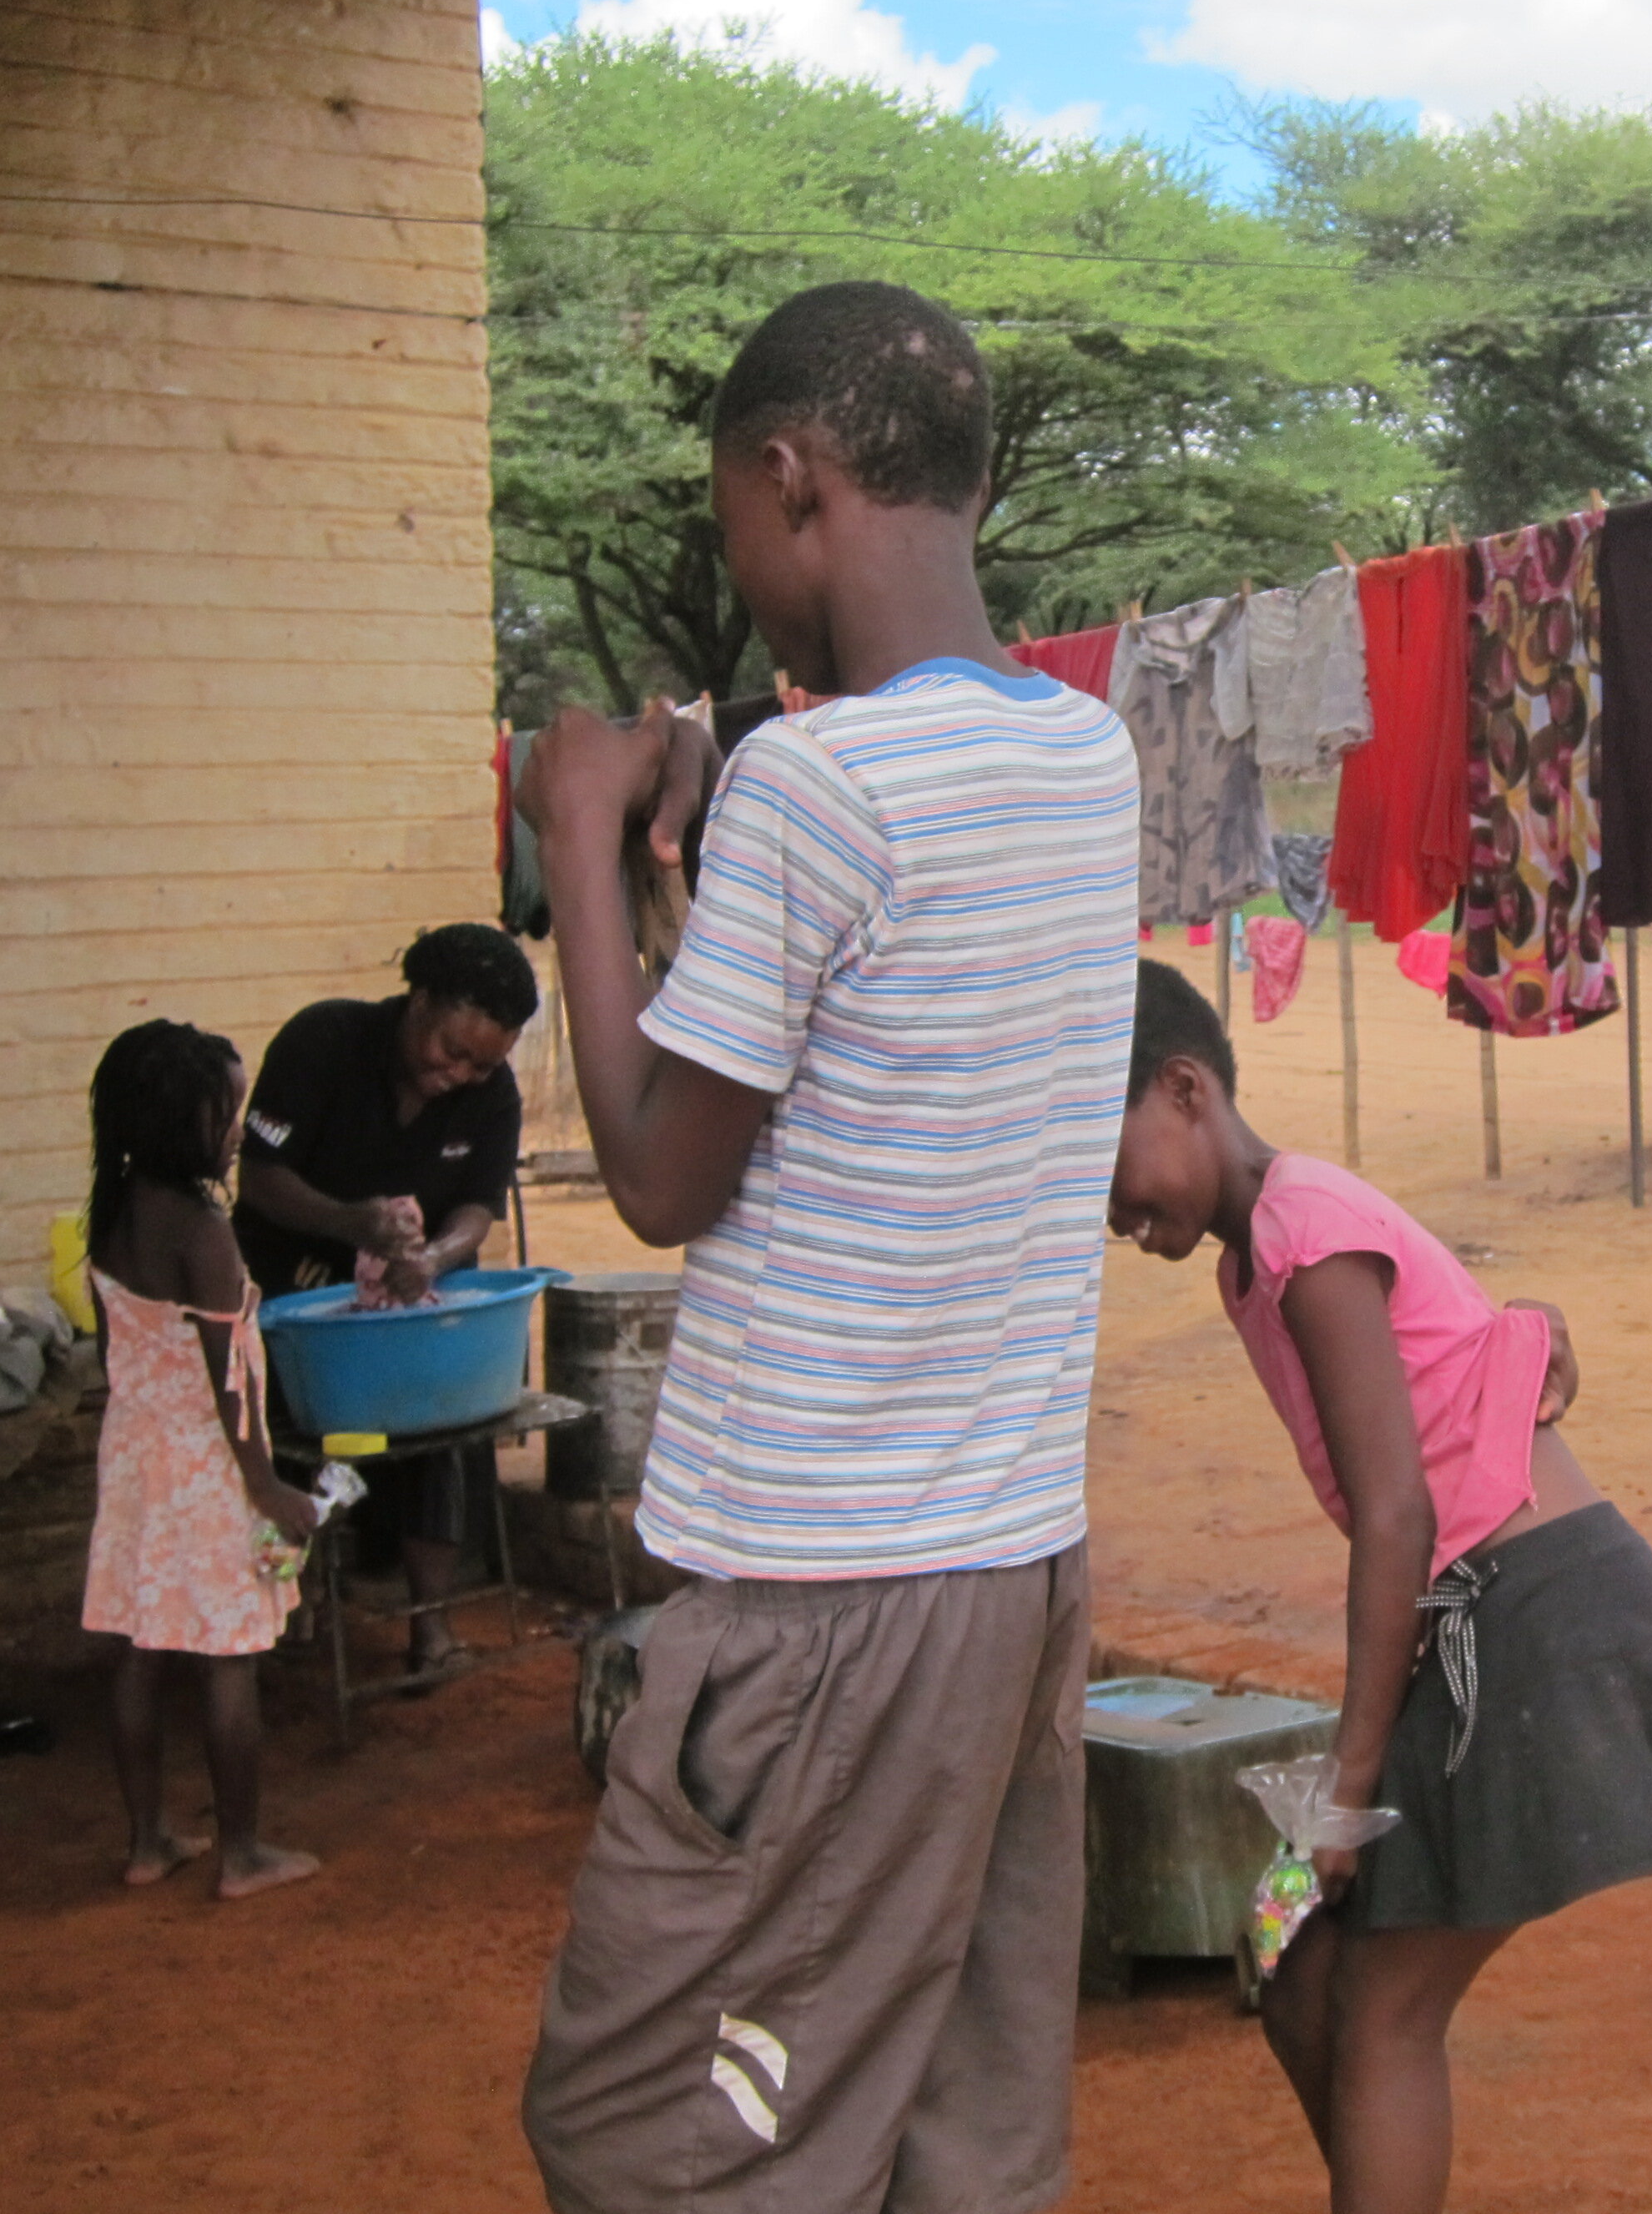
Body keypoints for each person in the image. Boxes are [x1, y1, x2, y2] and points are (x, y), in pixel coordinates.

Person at [515, 281, 1138, 2214]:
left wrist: (577, 852)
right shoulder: (1078, 754)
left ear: (790, 478)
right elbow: (850, 1044)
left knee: (656, 2136)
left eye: (729, 522)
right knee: (956, 2110)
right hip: (1009, 1566)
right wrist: (689, 859)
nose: (742, 573)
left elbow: (659, 1171)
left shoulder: (818, 779)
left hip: (826, 1593)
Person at [1106, 959, 1652, 2214]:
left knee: (1380, 2010)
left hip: (1530, 1612)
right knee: (1294, 1958)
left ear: (1183, 1088)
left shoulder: (1300, 1232)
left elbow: (1398, 1513)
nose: (1098, 1207)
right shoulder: (1255, 1260)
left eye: (1093, 1154)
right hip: (1475, 1621)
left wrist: (1351, 1785)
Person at [234, 922, 535, 1679]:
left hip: (394, 1301)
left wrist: (434, 1256)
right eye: (451, 1050)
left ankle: (431, 1629)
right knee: (294, 1440)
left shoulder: (491, 1097)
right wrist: (350, 1222)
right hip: (286, 1292)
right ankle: (287, 1610)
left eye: (481, 1062)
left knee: (429, 1427)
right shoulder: (323, 1042)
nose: (461, 1073)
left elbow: (476, 1207)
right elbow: (261, 1178)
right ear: (419, 1000)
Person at [81, 1019, 320, 1899]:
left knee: (141, 1649)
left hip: (135, 1455)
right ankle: (244, 1854)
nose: (237, 1130)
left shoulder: (112, 1209)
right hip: (209, 1463)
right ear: (180, 1122)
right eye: (227, 1113)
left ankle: (147, 1843)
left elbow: (123, 1348)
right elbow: (233, 1383)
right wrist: (266, 1487)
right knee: (229, 1656)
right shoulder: (201, 1230)